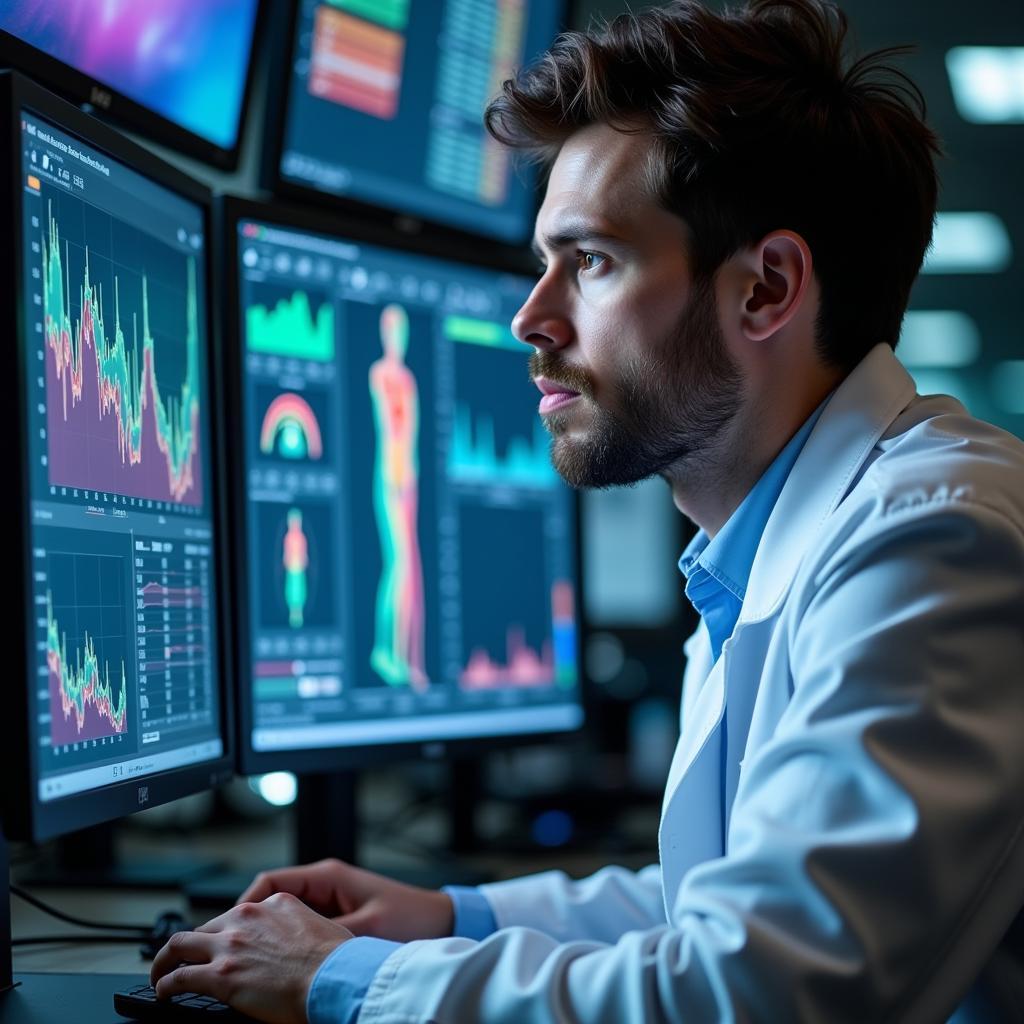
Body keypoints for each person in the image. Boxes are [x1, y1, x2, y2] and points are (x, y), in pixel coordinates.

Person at [151, 1, 1024, 1020]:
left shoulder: (931, 540)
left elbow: (764, 986)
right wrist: (452, 916)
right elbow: (726, 898)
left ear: (765, 289)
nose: (532, 315)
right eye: (544, 262)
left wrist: (340, 979)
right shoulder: (776, 540)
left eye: (593, 260)